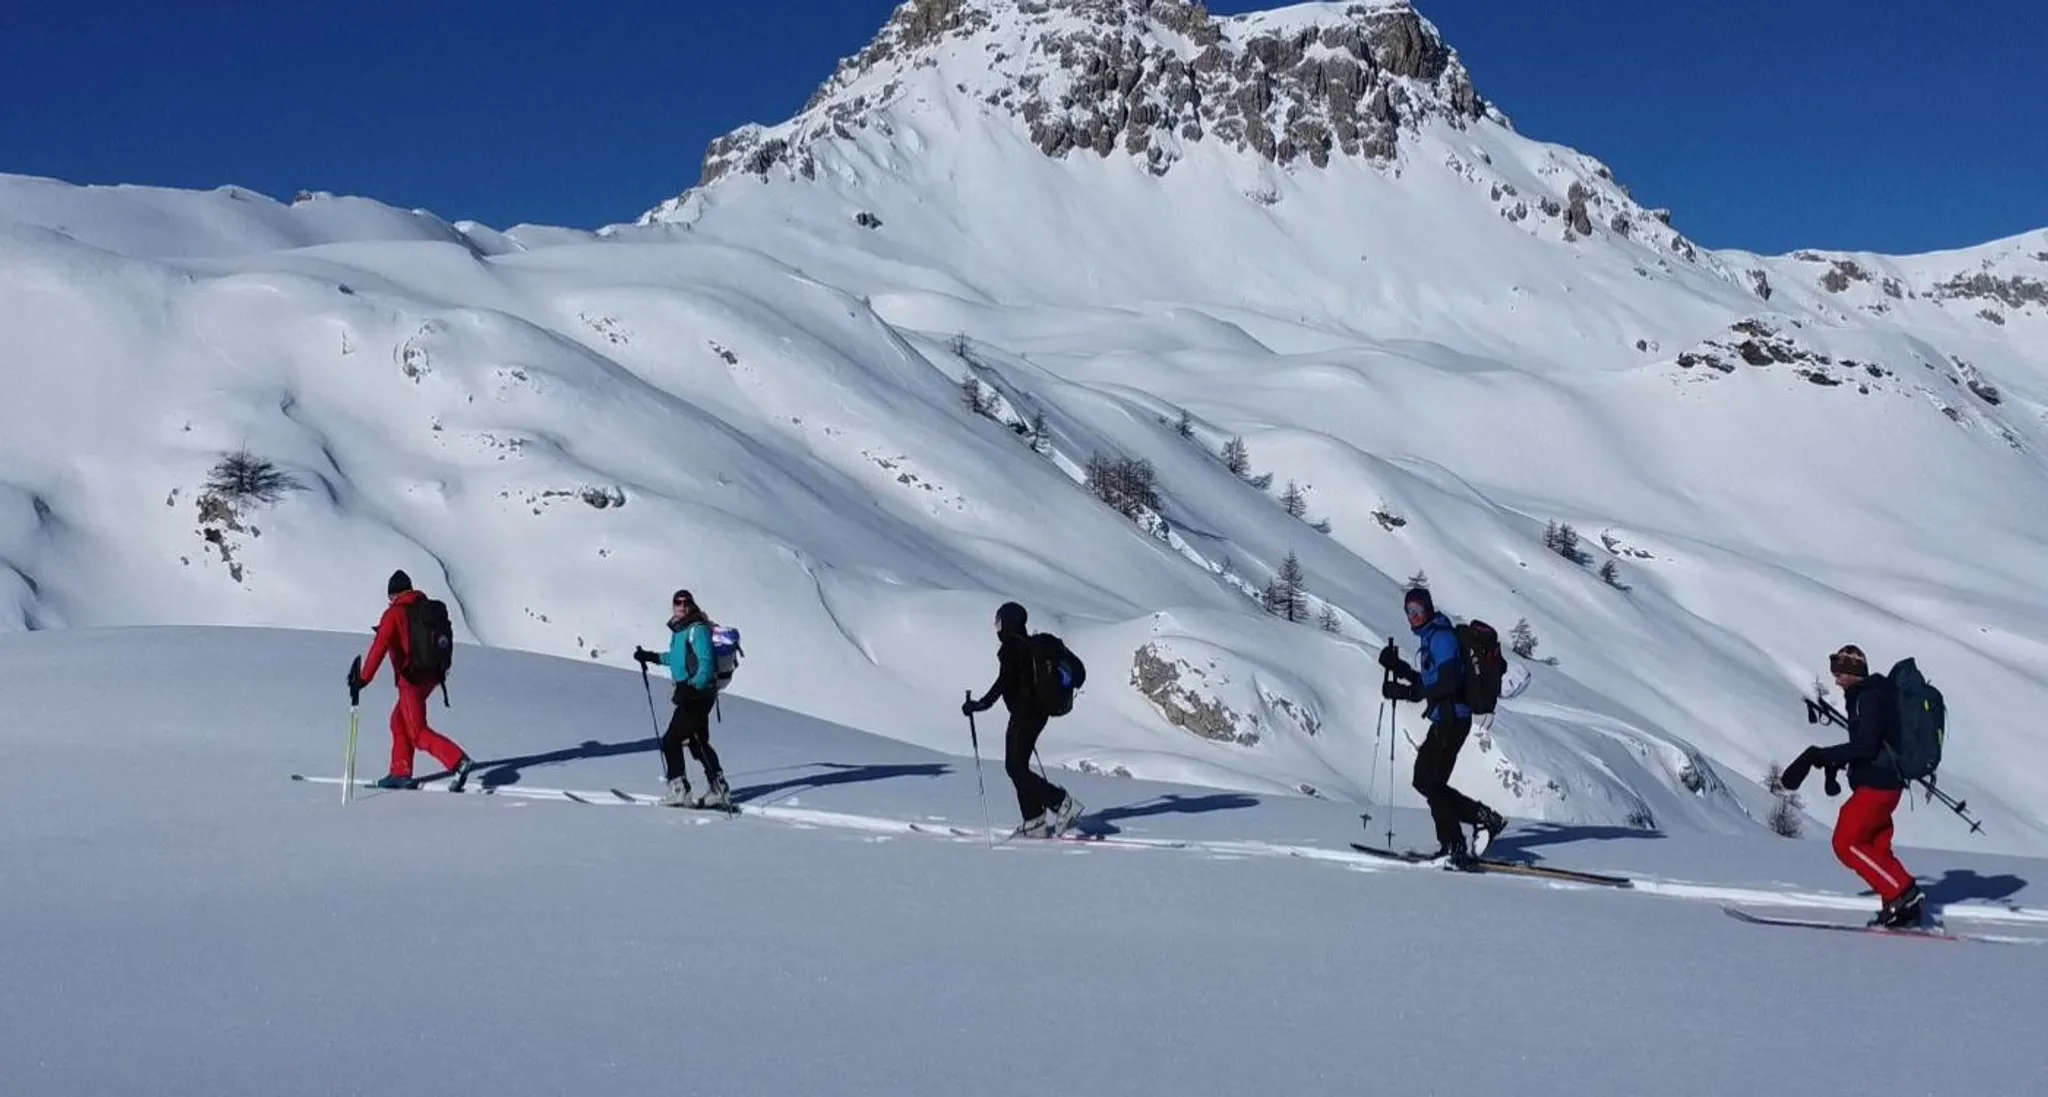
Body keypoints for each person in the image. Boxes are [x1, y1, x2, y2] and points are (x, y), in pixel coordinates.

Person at [1785, 644, 1924, 927]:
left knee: (1845, 843)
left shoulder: (1867, 697)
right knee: (1874, 846)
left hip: (1877, 786)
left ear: (1852, 671)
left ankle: (1902, 893)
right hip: (1886, 783)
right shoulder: (1872, 694)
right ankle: (1899, 907)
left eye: (1839, 671)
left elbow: (1867, 746)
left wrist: (1824, 755)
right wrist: (1838, 761)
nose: (1836, 679)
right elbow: (1870, 744)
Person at [1379, 586, 1506, 866]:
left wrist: (1406, 692)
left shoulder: (1441, 638)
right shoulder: (1432, 637)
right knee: (1427, 782)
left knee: (1429, 782)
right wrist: (1400, 670)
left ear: (1428, 609)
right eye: (1409, 611)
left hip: (1452, 720)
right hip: (1446, 719)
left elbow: (1446, 682)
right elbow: (1430, 681)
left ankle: (1455, 842)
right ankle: (1478, 822)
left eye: (1417, 610)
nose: (1413, 616)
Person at [962, 601, 1084, 837]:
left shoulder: (1012, 648)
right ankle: (1034, 819)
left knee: (1015, 767)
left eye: (999, 622)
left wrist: (981, 704)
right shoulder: (1031, 645)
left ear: (1008, 623)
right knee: (1017, 766)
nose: (996, 627)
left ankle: (1061, 802)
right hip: (1036, 714)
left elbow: (1004, 682)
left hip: (1024, 715)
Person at [352, 569, 473, 791]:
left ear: (393, 594)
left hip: (411, 679)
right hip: (431, 676)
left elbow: (379, 647)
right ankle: (400, 771)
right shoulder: (423, 609)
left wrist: (363, 679)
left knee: (417, 732)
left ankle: (458, 761)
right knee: (398, 721)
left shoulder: (395, 614)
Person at [634, 589, 730, 809]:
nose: (682, 606)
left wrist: (692, 688)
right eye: (678, 602)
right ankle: (718, 788)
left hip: (697, 694)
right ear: (673, 606)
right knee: (697, 742)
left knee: (671, 740)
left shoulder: (697, 629)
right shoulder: (680, 630)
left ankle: (680, 790)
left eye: (686, 602)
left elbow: (706, 663)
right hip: (694, 693)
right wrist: (651, 656)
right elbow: (677, 659)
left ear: (692, 605)